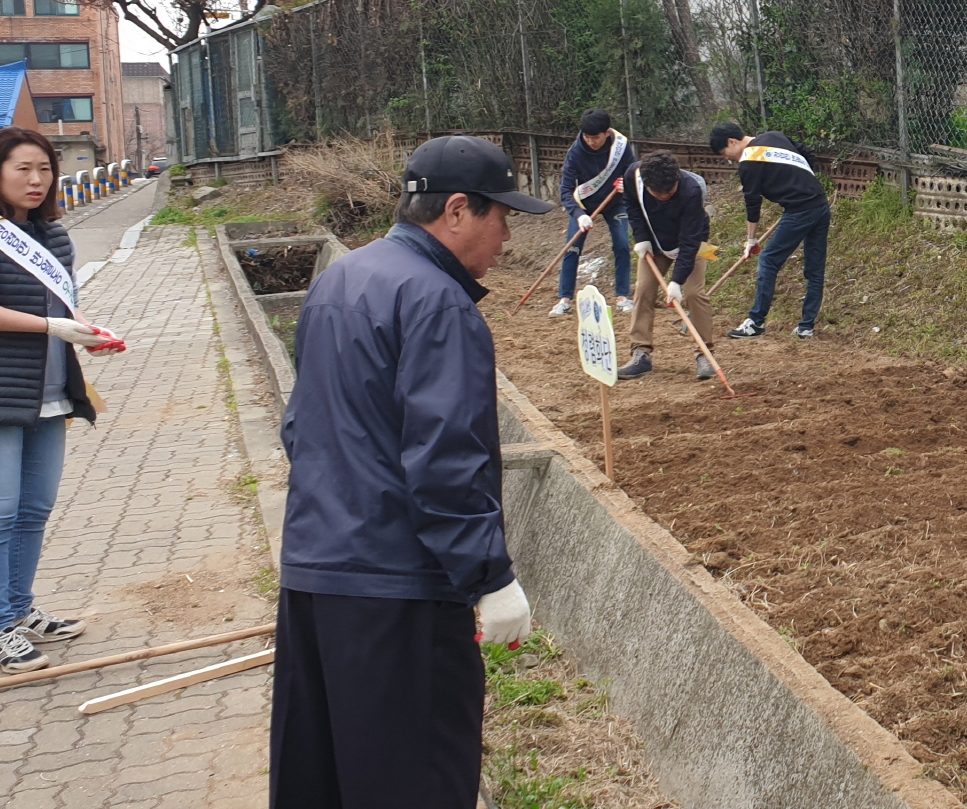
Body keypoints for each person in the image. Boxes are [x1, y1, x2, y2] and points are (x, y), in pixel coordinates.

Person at [271, 135, 546, 809]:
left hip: (316, 574)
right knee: (413, 779)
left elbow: (299, 426)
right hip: (399, 591)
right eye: (501, 215)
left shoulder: (341, 277)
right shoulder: (438, 302)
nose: (507, 236)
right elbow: (446, 459)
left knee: (326, 776)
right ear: (456, 210)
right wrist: (491, 576)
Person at [0, 126, 125, 674]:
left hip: (48, 395)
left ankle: (20, 611)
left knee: (33, 511)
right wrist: (53, 327)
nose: (36, 180)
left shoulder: (51, 235)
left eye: (44, 169)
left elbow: (64, 306)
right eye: (22, 169)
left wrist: (89, 332)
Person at [709, 122, 829, 340]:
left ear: (732, 142)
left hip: (800, 212)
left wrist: (751, 239)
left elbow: (752, 203)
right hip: (820, 204)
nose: (727, 158)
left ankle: (755, 322)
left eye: (724, 153)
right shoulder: (775, 136)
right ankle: (806, 327)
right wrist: (800, 185)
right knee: (815, 268)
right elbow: (806, 154)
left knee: (768, 259)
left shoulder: (748, 162)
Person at [614, 150, 715, 382]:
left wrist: (677, 281)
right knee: (643, 289)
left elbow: (690, 242)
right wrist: (641, 238)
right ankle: (640, 353)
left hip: (689, 242)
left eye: (668, 192)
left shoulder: (691, 191)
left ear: (677, 180)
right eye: (656, 193)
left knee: (693, 292)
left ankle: (704, 354)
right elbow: (631, 205)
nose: (662, 197)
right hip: (655, 243)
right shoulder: (633, 176)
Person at [553, 109, 636, 316]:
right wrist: (579, 214)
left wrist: (627, 183)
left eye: (595, 138)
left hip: (615, 202)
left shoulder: (621, 147)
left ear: (606, 133)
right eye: (587, 137)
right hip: (584, 204)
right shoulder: (575, 153)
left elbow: (633, 172)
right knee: (572, 247)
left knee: (622, 244)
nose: (591, 142)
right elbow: (565, 189)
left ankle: (623, 296)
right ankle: (564, 299)